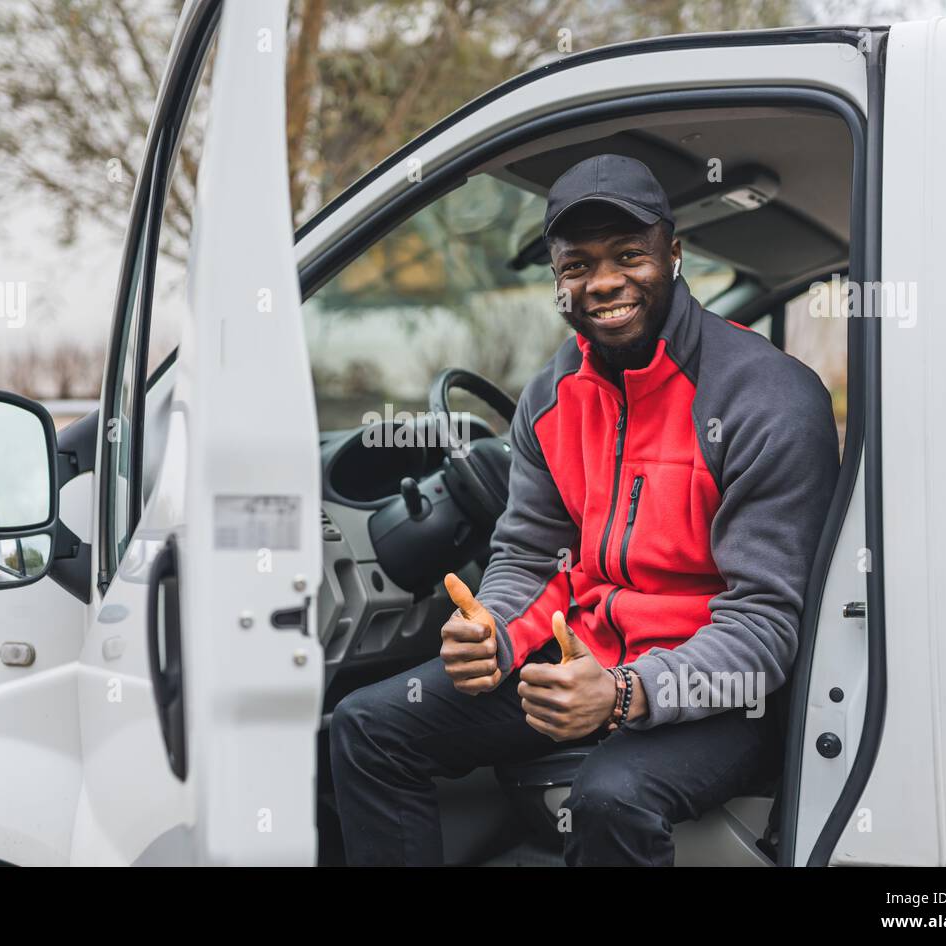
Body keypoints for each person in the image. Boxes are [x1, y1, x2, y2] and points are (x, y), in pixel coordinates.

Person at [330, 153, 840, 866]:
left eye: (629, 255)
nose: (602, 282)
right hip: (581, 658)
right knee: (368, 727)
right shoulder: (549, 397)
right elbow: (533, 557)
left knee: (610, 797)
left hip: (723, 695)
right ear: (559, 279)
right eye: (576, 265)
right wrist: (496, 632)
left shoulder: (768, 400)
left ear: (675, 252)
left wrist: (626, 693)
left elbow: (764, 626)